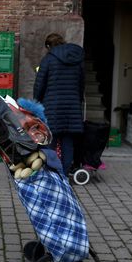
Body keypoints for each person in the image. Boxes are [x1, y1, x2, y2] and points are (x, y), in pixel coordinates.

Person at [33, 33, 85, 174]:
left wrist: (36, 102)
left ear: (49, 46)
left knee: (51, 142)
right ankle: (64, 173)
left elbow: (39, 84)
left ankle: (51, 173)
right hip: (72, 107)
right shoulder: (77, 60)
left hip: (53, 107)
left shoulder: (48, 60)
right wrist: (77, 101)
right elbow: (81, 84)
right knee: (68, 142)